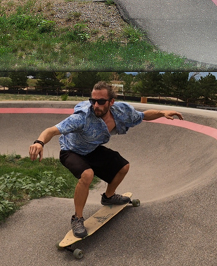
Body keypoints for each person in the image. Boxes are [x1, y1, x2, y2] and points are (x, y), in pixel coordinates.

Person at [29, 81, 183, 238]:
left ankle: (108, 197)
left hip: (91, 149)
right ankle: (77, 218)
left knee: (123, 167)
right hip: (71, 150)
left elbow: (143, 116)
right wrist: (39, 142)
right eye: (92, 101)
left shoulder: (122, 111)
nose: (96, 105)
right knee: (87, 174)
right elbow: (52, 130)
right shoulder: (82, 117)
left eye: (101, 102)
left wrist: (162, 112)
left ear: (111, 102)